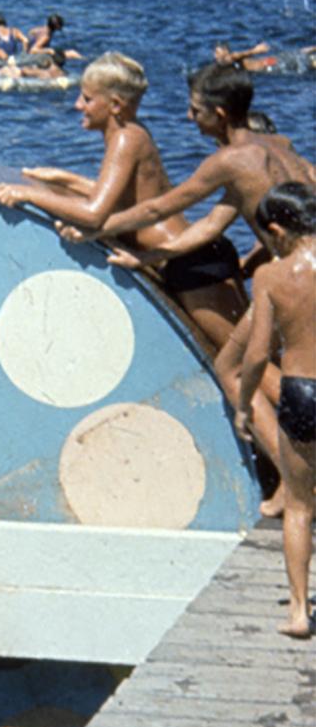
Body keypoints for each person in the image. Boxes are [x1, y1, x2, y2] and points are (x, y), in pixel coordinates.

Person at [87, 61, 316, 511]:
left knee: (233, 368)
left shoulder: (228, 161)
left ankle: (294, 483)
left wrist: (95, 226)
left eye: (195, 111)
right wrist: (151, 257)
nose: (189, 118)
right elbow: (213, 222)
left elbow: (160, 209)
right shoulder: (277, 146)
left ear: (220, 113)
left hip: (291, 278)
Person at [0, 52, 247, 357]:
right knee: (243, 361)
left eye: (87, 99)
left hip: (187, 261)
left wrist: (27, 194)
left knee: (245, 367)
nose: (78, 105)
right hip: (191, 255)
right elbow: (128, 198)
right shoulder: (131, 133)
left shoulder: (126, 140)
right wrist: (64, 178)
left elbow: (94, 214)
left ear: (115, 105)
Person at [237, 184, 315, 637]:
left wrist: (246, 401)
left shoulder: (270, 276)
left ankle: (299, 612)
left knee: (301, 506)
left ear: (276, 230)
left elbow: (256, 353)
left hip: (302, 391)